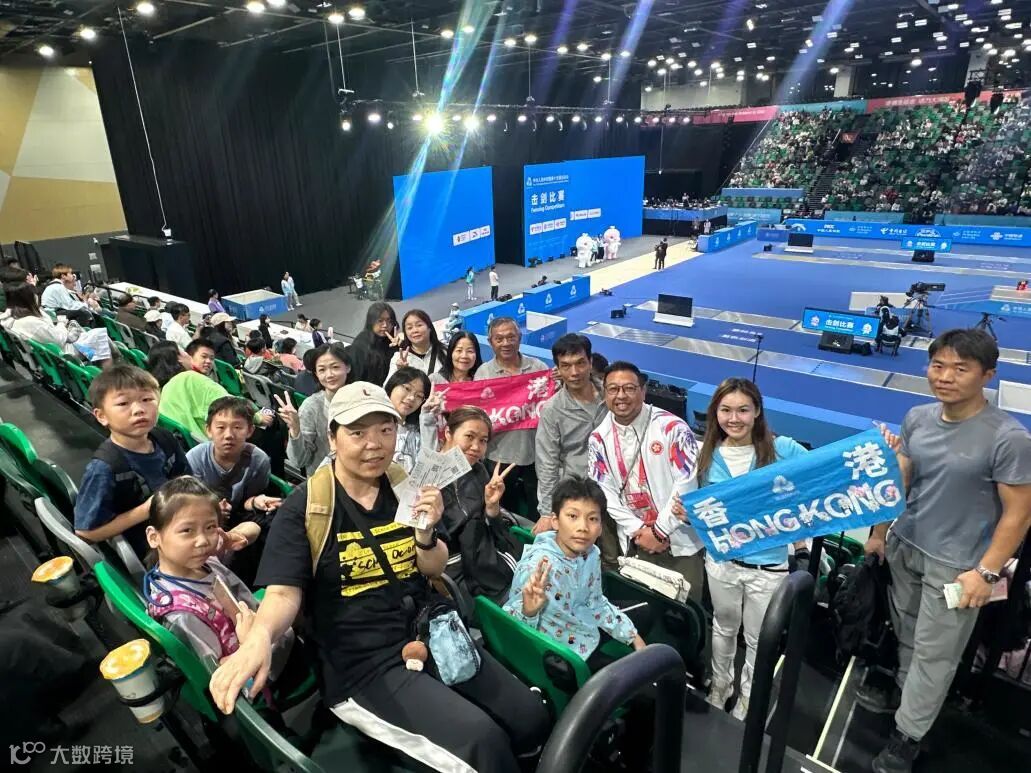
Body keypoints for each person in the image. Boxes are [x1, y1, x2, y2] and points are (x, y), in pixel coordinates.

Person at [208, 383, 550, 773]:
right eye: (358, 432)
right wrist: (259, 639)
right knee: (482, 745)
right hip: (363, 664)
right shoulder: (307, 508)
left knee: (529, 718)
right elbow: (284, 593)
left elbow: (433, 567)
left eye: (385, 430)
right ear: (332, 438)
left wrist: (425, 532)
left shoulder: (404, 487)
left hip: (432, 634)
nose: (374, 444)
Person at [859, 329, 1031, 773]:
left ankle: (908, 736)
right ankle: (908, 703)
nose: (945, 376)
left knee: (935, 655)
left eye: (960, 368)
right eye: (938, 366)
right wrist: (879, 533)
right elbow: (902, 479)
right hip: (906, 546)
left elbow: (1019, 514)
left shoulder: (1008, 438)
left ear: (987, 375)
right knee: (908, 637)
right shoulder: (917, 417)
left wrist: (986, 573)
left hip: (956, 568)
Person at [660, 378, 808, 721]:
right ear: (715, 413)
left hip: (767, 571)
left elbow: (827, 469)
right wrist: (688, 517)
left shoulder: (783, 449)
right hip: (721, 564)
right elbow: (704, 514)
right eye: (726, 410)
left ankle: (748, 699)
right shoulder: (705, 455)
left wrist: (881, 447)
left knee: (758, 641)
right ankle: (720, 687)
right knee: (723, 629)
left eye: (743, 410)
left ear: (757, 412)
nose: (734, 418)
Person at [143, 476, 294, 674]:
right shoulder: (182, 615)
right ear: (154, 537)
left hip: (260, 631)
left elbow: (254, 528)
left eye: (210, 527)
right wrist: (249, 642)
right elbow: (213, 672)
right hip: (257, 668)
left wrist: (230, 538)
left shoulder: (202, 561)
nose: (203, 541)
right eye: (187, 530)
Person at [588, 361, 703, 597]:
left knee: (686, 609)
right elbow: (605, 491)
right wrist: (638, 530)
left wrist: (659, 531)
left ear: (643, 391)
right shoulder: (598, 438)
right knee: (642, 605)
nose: (621, 396)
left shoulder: (673, 428)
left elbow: (686, 484)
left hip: (679, 541)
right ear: (604, 393)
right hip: (637, 541)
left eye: (629, 388)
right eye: (613, 389)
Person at [504, 477, 645, 666]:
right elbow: (511, 631)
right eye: (572, 516)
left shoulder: (591, 553)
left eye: (592, 519)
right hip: (560, 653)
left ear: (601, 527)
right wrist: (528, 612)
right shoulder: (537, 568)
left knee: (647, 613)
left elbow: (595, 602)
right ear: (555, 521)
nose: (583, 527)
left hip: (583, 627)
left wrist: (633, 636)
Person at [74, 365, 188, 558]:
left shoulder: (165, 439)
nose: (139, 410)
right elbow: (85, 534)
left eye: (147, 399)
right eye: (123, 403)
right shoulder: (104, 467)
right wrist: (146, 510)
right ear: (101, 416)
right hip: (152, 551)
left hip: (182, 525)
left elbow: (184, 477)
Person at [438, 406, 524, 603]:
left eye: (483, 440)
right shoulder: (426, 479)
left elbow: (493, 527)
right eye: (469, 436)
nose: (476, 447)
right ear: (448, 433)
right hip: (453, 569)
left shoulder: (479, 471)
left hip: (486, 555)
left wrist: (492, 508)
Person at [476, 317, 549, 517]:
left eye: (511, 337)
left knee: (538, 511)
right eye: (499, 339)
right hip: (498, 455)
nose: (506, 343)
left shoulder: (538, 368)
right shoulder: (483, 373)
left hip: (536, 455)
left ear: (520, 337)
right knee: (502, 511)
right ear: (490, 342)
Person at [147, 341, 275, 452]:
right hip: (210, 448)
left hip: (188, 448)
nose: (187, 355)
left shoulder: (159, 390)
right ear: (178, 358)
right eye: (183, 351)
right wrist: (258, 418)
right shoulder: (189, 378)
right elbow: (230, 404)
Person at [534, 334, 606, 529]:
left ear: (590, 362)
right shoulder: (552, 410)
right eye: (566, 366)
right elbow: (547, 463)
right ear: (558, 369)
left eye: (580, 363)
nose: (574, 372)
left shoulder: (611, 396)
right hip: (577, 498)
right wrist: (547, 512)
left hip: (616, 493)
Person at [278, 342, 352, 476]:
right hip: (324, 479)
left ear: (348, 367)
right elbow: (298, 461)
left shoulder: (361, 398)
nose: (329, 374)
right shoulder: (311, 407)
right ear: (316, 374)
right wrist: (295, 429)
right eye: (322, 370)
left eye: (335, 367)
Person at [1, 280, 113, 365]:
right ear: (27, 299)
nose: (37, 296)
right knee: (101, 337)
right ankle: (110, 371)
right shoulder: (31, 322)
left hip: (52, 354)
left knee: (96, 336)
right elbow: (59, 340)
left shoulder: (11, 318)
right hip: (64, 354)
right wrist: (61, 323)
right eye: (33, 294)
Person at [383, 366, 430, 473]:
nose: (412, 398)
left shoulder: (417, 434)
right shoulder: (372, 424)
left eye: (419, 396)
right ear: (392, 385)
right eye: (407, 389)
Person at [348, 302, 400, 386]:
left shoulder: (393, 340)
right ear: (371, 322)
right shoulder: (361, 344)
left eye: (389, 321)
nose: (385, 325)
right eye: (380, 321)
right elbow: (356, 377)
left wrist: (400, 345)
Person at [386, 309, 446, 381]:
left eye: (419, 325)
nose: (415, 330)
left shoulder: (445, 351)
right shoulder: (398, 358)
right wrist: (400, 372)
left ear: (429, 328)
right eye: (409, 328)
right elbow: (388, 386)